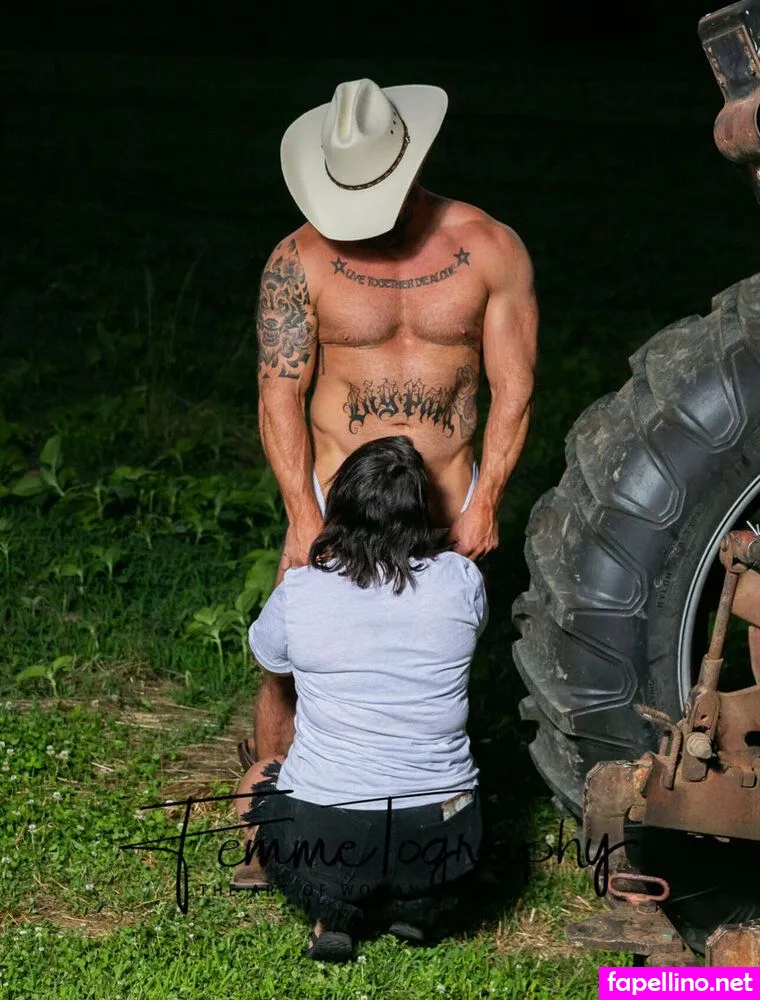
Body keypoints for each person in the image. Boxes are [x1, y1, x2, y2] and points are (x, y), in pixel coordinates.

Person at [233, 436, 488, 961]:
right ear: (422, 512)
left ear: (339, 508)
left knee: (257, 777)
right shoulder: (463, 582)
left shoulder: (302, 592)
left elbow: (269, 661)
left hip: (330, 840)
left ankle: (332, 916)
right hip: (444, 840)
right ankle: (415, 907)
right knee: (436, 813)